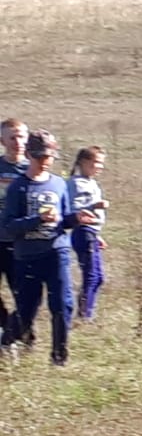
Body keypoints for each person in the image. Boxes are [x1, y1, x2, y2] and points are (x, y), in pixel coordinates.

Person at [1, 130, 97, 366]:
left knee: (63, 305)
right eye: (39, 157)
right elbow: (9, 227)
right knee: (26, 310)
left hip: (56, 253)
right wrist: (38, 220)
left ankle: (59, 359)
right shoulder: (18, 188)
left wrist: (77, 218)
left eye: (48, 157)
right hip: (27, 256)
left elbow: (63, 220)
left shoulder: (59, 184)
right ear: (29, 156)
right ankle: (6, 343)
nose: (44, 161)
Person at [67, 146, 110, 323]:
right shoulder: (75, 184)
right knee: (91, 275)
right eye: (96, 162)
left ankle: (87, 312)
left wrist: (97, 234)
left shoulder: (91, 182)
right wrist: (94, 206)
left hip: (91, 232)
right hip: (83, 232)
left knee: (99, 277)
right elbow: (73, 208)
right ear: (83, 163)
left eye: (101, 163)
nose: (100, 166)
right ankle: (84, 316)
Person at [0, 119, 29, 338]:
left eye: (20, 137)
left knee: (23, 293)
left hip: (21, 242)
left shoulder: (32, 169)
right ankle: (4, 328)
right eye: (12, 137)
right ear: (2, 141)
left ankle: (24, 336)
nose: (17, 142)